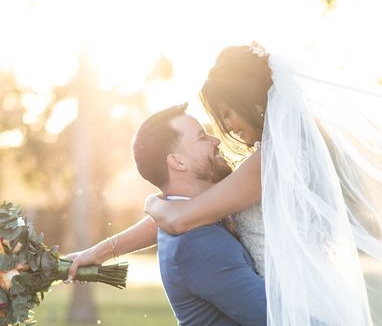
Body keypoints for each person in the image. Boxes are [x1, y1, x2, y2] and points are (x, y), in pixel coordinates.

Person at [70, 43, 382, 325]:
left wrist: (155, 203)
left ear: (251, 100)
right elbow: (194, 212)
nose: (224, 131)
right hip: (300, 297)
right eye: (209, 128)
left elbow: (182, 215)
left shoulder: (270, 164)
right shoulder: (271, 162)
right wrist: (102, 250)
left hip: (299, 300)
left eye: (227, 113)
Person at [67, 103, 267, 326]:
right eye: (202, 137)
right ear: (177, 162)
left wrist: (101, 250)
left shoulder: (184, 218)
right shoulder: (199, 243)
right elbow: (275, 318)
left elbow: (183, 215)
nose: (216, 141)